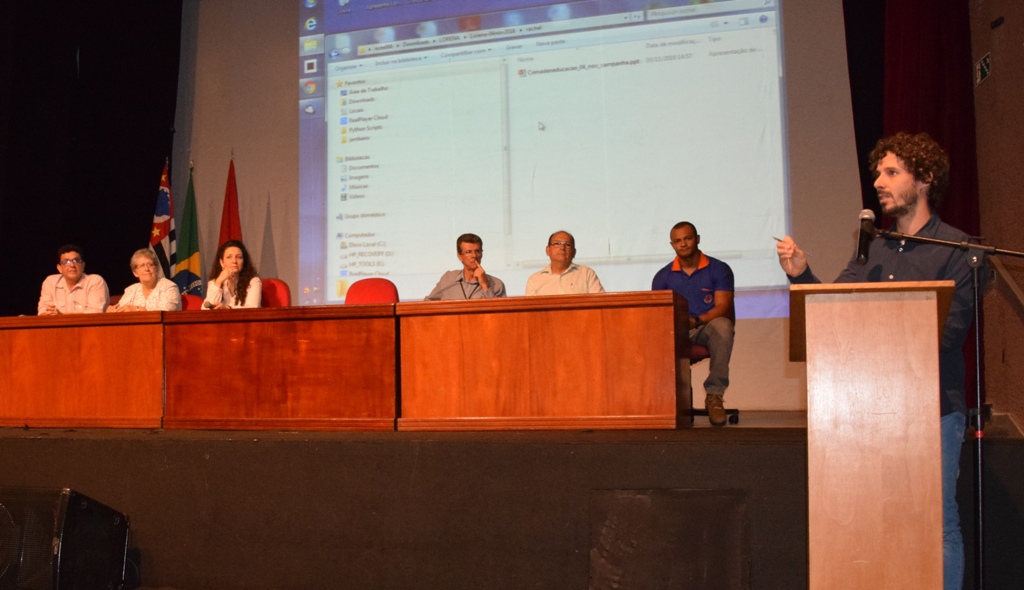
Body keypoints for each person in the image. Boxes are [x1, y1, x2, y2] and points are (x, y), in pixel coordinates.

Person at [775, 132, 975, 590]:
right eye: (878, 173)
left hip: (934, 410)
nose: (879, 183)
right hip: (869, 414)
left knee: (937, 523)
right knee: (874, 520)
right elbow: (832, 311)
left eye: (891, 172)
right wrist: (802, 274)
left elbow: (950, 333)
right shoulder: (873, 248)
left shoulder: (957, 249)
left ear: (924, 178)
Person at [652, 221, 735, 426]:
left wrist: (695, 321)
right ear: (672, 245)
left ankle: (714, 395)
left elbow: (723, 306)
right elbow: (658, 314)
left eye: (687, 238)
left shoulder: (719, 269)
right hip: (675, 331)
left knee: (723, 326)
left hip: (705, 327)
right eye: (677, 241)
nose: (683, 244)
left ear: (697, 239)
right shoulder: (662, 276)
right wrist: (679, 325)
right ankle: (659, 401)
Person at [424, 233, 506, 300]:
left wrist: (485, 285)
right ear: (460, 256)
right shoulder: (448, 279)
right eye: (468, 252)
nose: (474, 256)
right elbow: (428, 303)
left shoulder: (497, 284)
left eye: (477, 251)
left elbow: (500, 313)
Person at [525, 231, 605, 295]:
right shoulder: (535, 280)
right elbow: (529, 309)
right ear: (547, 250)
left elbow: (601, 303)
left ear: (574, 252)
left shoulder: (586, 274)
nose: (562, 248)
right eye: (557, 244)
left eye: (567, 244)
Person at [38, 244, 109, 315]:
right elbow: (42, 311)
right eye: (66, 262)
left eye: (76, 260)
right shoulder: (50, 282)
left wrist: (61, 316)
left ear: (83, 265)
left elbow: (94, 314)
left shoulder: (95, 281)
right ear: (59, 268)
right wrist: (48, 313)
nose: (72, 265)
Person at [107, 249, 182, 312]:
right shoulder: (131, 290)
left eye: (150, 264)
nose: (146, 269)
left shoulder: (169, 287)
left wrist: (137, 309)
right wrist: (113, 311)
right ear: (135, 273)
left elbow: (165, 312)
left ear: (156, 269)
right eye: (142, 265)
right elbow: (122, 310)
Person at [203, 240, 262, 309]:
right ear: (222, 262)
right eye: (229, 257)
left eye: (239, 257)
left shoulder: (253, 282)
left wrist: (228, 309)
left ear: (243, 262)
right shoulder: (214, 283)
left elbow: (253, 309)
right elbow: (206, 309)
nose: (234, 261)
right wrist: (219, 282)